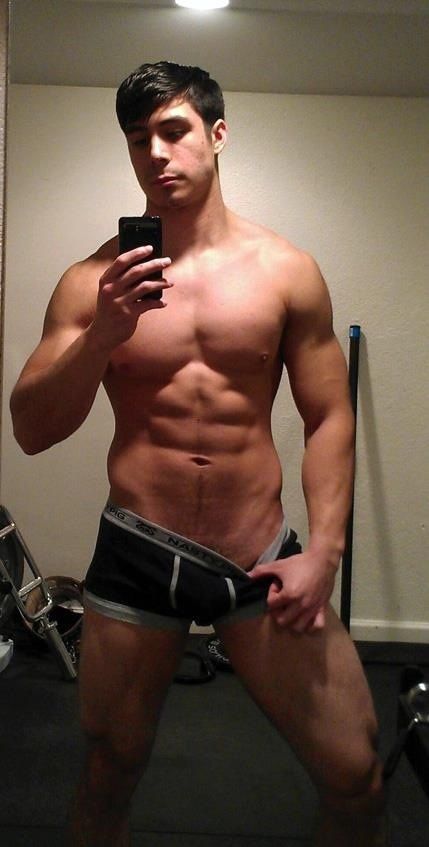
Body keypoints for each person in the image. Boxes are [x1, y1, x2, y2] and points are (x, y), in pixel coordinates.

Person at [10, 62, 387, 847]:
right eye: (137, 138)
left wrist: (324, 551)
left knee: (355, 773)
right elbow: (32, 427)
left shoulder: (286, 271)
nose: (155, 152)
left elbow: (327, 416)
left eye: (173, 130)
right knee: (108, 770)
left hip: (257, 553)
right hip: (136, 548)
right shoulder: (92, 282)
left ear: (217, 134)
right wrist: (104, 334)